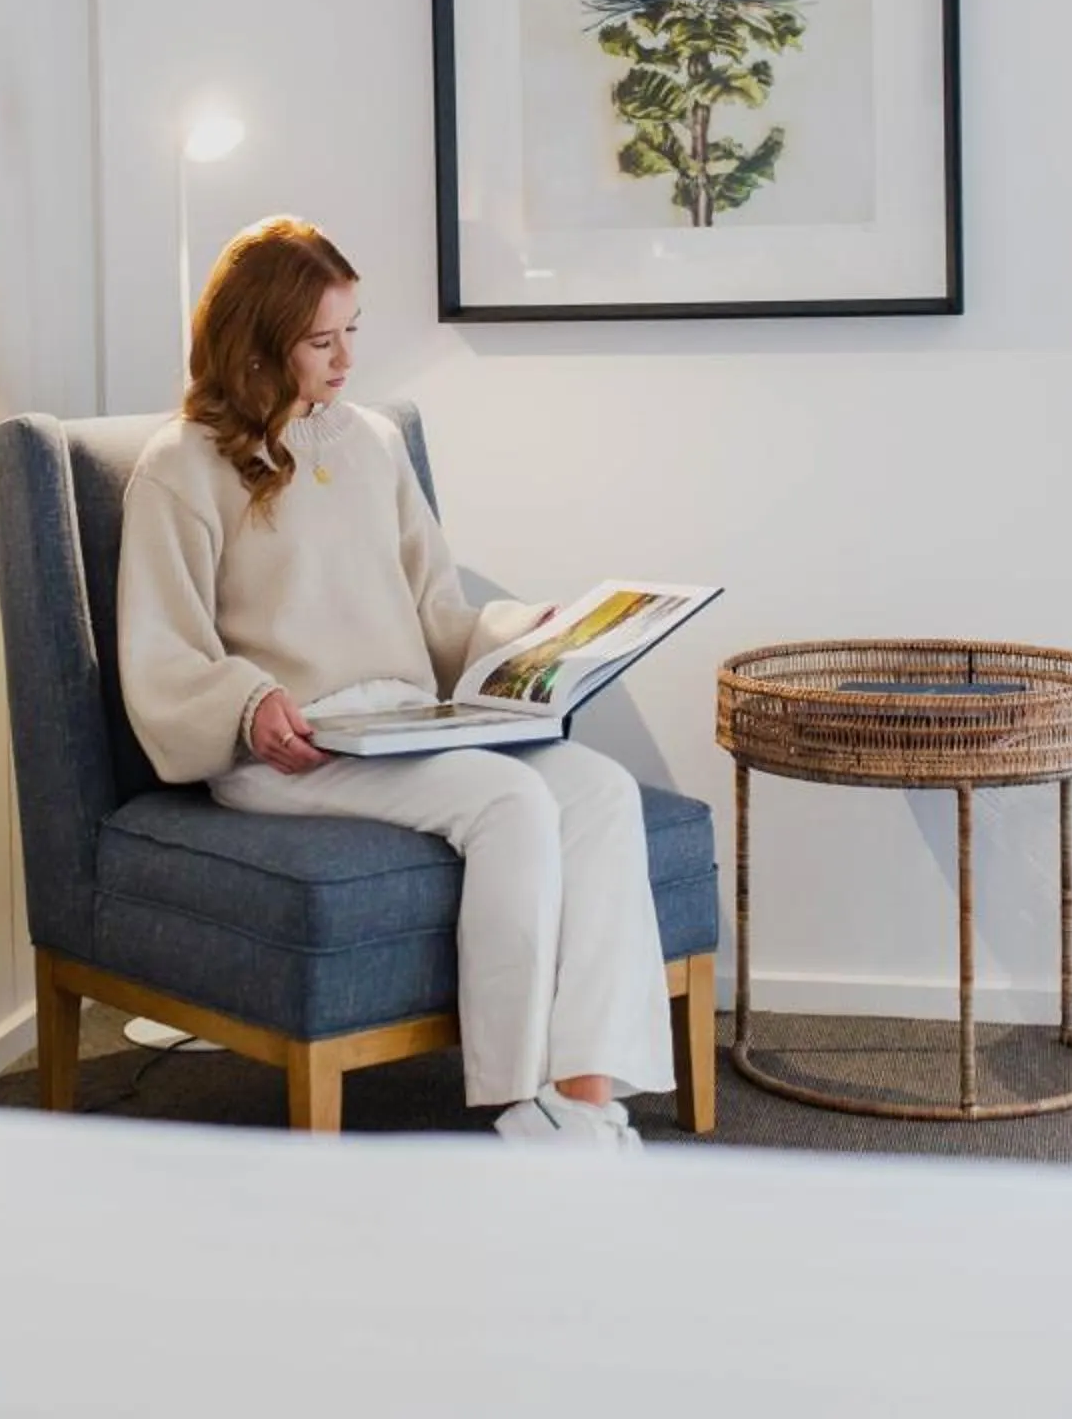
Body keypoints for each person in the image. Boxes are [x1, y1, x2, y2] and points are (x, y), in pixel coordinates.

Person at [115, 216, 672, 1148]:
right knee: (507, 799)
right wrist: (249, 708)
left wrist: (528, 636)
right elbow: (164, 654)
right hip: (289, 749)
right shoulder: (180, 469)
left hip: (407, 722)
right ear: (256, 341)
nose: (345, 359)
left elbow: (440, 615)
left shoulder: (372, 442)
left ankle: (583, 1098)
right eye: (320, 340)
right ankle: (513, 1099)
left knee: (601, 791)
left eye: (354, 331)